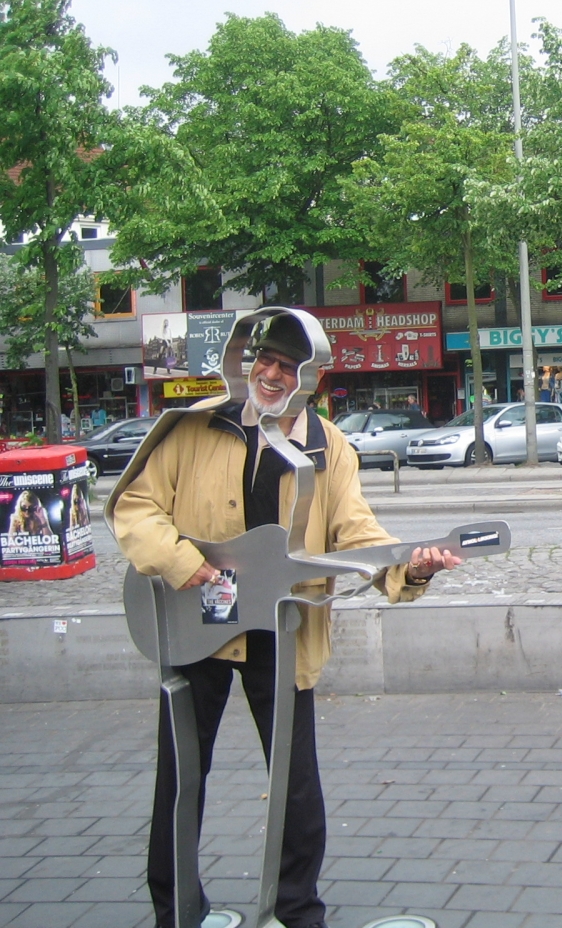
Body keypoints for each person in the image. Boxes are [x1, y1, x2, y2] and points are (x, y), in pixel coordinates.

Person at [108, 311, 462, 928]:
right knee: (181, 774)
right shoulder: (196, 425)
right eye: (265, 360)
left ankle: (296, 909)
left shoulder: (329, 447)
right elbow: (136, 506)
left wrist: (411, 568)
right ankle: (175, 908)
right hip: (198, 619)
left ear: (312, 378)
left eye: (288, 366)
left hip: (281, 626)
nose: (271, 375)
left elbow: (356, 534)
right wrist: (181, 561)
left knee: (296, 781)